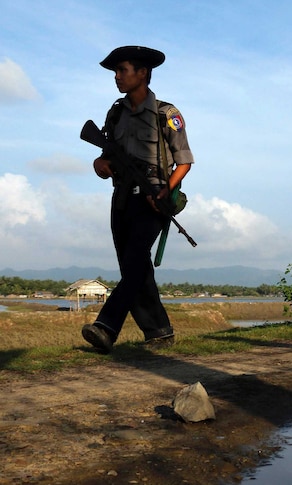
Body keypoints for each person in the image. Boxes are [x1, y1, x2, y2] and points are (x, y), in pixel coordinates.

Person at [81, 46, 193, 353]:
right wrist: (99, 165)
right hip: (121, 198)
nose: (117, 77)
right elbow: (106, 158)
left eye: (122, 70)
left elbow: (184, 161)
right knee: (135, 265)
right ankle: (159, 330)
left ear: (142, 73)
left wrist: (164, 190)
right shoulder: (115, 112)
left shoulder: (166, 114)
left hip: (153, 198)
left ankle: (106, 327)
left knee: (134, 263)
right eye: (116, 72)